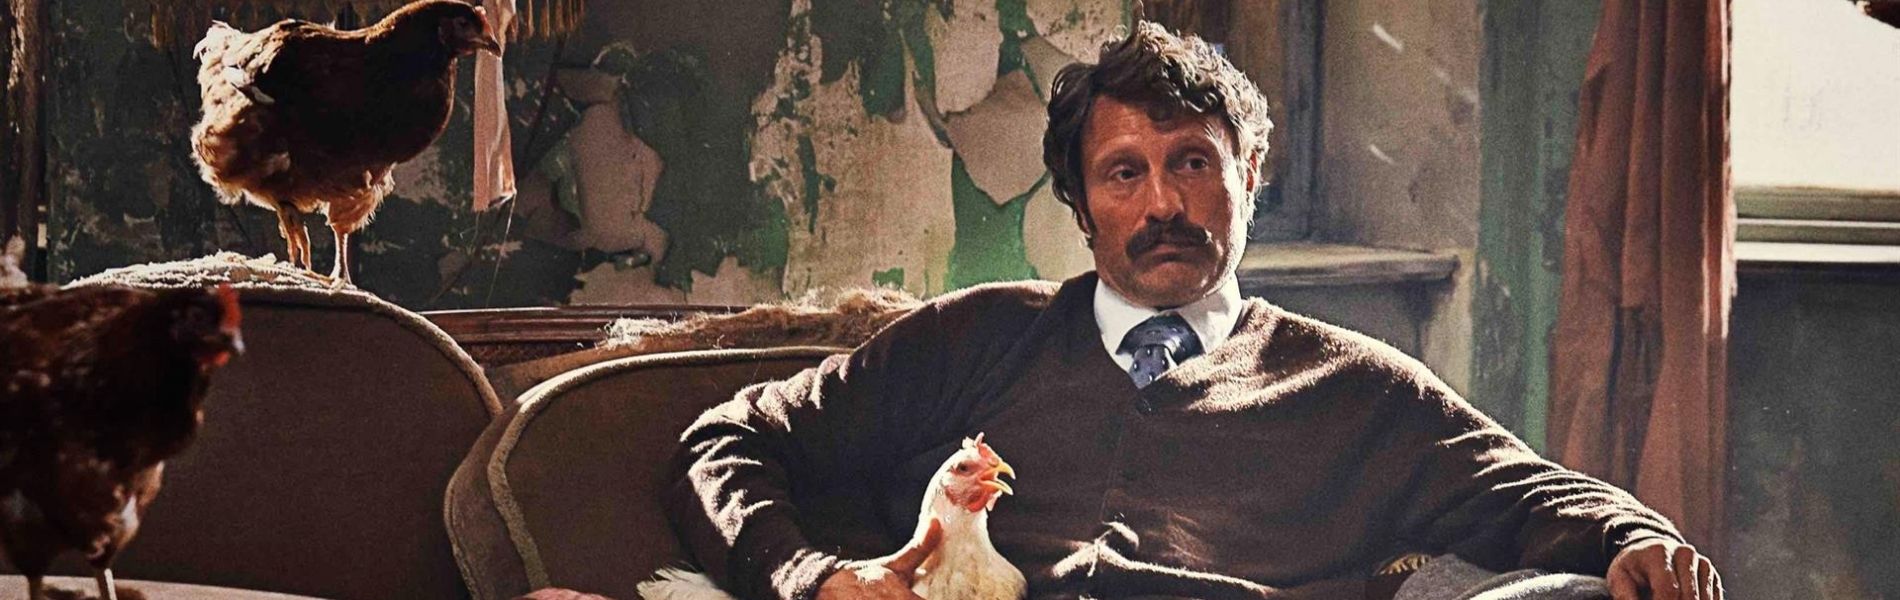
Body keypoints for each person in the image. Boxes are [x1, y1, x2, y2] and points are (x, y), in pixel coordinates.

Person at [662, 22, 1724, 600]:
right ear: (1080, 205)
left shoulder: (1354, 387)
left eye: (1192, 164)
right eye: (1124, 173)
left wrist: (1634, 534)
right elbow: (727, 440)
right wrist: (807, 577)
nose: (1163, 204)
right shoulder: (975, 337)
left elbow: (1527, 492)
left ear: (1248, 177)